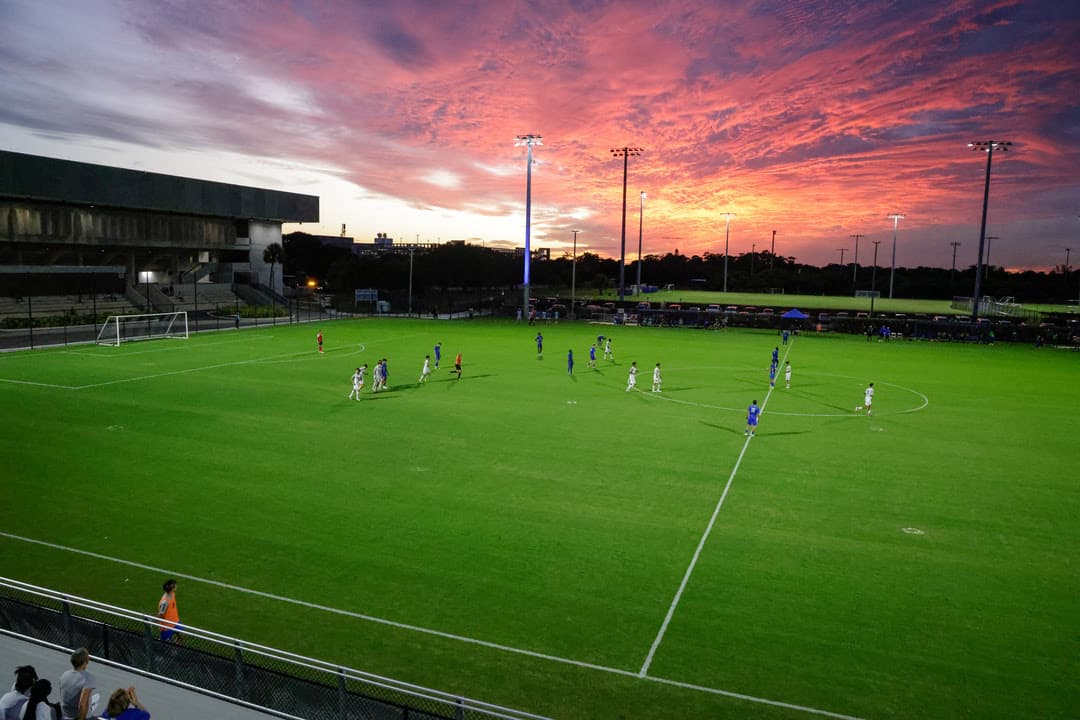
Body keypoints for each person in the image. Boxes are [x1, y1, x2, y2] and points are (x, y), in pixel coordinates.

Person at [58, 648, 97, 720]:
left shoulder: (64, 675)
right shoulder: (88, 678)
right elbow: (82, 704)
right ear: (86, 662)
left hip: (64, 716)